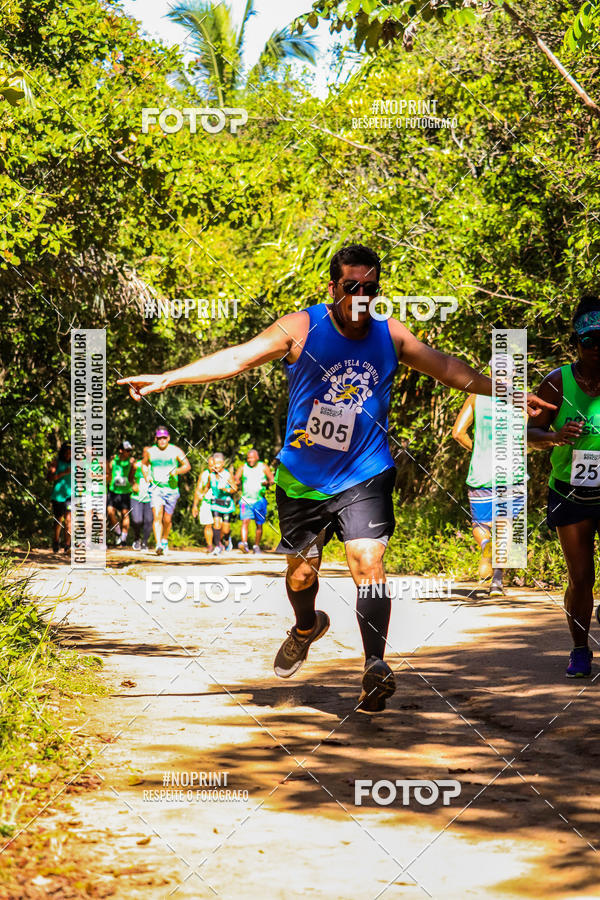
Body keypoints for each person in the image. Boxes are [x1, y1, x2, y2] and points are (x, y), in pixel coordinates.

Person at [119, 242, 552, 711]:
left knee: (367, 560)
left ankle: (374, 666)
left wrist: (506, 391)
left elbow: (447, 367)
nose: (361, 296)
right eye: (352, 287)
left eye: (370, 288)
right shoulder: (302, 328)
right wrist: (168, 377)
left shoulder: (391, 335)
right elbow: (238, 359)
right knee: (303, 572)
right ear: (334, 286)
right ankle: (306, 627)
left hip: (365, 473)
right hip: (303, 476)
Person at [527, 295, 600, 678]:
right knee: (580, 578)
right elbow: (530, 434)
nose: (597, 349)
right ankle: (579, 649)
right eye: (590, 342)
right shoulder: (557, 381)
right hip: (570, 491)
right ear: (577, 343)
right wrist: (556, 436)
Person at [452, 364, 525, 597]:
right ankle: (497, 582)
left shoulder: (476, 397)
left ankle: (485, 546)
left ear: (490, 374)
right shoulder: (521, 401)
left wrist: (478, 450)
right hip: (512, 473)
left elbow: (457, 433)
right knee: (506, 524)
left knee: (481, 524)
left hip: (482, 472)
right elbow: (529, 436)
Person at [144, 427, 190, 555]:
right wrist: (146, 475)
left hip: (172, 489)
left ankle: (164, 539)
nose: (162, 440)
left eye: (164, 438)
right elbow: (144, 464)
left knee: (167, 519)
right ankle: (158, 544)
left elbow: (187, 465)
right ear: (156, 439)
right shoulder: (150, 451)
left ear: (168, 438)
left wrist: (177, 471)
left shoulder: (176, 451)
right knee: (157, 516)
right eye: (159, 438)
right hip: (156, 488)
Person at [235, 448, 274, 553]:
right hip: (245, 501)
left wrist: (267, 483)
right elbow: (236, 478)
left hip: (259, 500)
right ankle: (244, 544)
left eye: (252, 457)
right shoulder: (243, 467)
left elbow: (272, 480)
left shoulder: (263, 467)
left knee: (259, 524)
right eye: (248, 458)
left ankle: (256, 546)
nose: (250, 460)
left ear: (257, 457)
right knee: (245, 521)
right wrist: (237, 481)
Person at [207, 453, 237, 555]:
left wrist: (225, 489)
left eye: (219, 463)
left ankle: (227, 539)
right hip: (215, 503)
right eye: (215, 463)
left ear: (223, 464)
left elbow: (235, 488)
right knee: (216, 523)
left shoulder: (227, 475)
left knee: (225, 529)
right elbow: (207, 487)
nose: (216, 466)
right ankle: (218, 546)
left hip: (226, 505)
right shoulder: (211, 475)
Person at [106, 441, 134, 546]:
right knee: (110, 512)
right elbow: (108, 472)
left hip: (125, 492)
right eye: (127, 450)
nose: (128, 452)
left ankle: (123, 539)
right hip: (113, 491)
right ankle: (118, 532)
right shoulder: (113, 461)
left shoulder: (131, 462)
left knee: (125, 514)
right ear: (121, 450)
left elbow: (131, 477)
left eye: (129, 450)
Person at [48, 442, 71, 554]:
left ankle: (67, 544)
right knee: (59, 520)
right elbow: (50, 478)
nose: (68, 455)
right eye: (66, 452)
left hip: (71, 496)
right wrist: (63, 473)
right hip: (58, 496)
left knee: (69, 520)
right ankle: (56, 540)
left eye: (71, 453)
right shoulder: (56, 463)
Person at [192, 455, 216, 552]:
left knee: (220, 525)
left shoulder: (223, 474)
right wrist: (195, 505)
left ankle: (222, 541)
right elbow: (198, 490)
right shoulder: (204, 474)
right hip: (206, 502)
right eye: (210, 466)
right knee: (208, 524)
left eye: (214, 465)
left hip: (219, 503)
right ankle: (210, 545)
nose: (213, 468)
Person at [130, 453, 153, 550]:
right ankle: (137, 538)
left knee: (149, 520)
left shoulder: (155, 467)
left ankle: (145, 542)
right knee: (137, 520)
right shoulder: (137, 465)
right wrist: (133, 484)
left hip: (151, 497)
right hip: (136, 497)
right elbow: (130, 477)